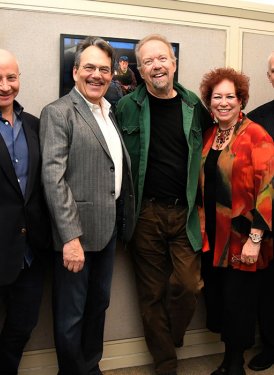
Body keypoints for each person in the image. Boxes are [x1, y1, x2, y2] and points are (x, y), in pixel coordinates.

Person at [116, 34, 212, 375]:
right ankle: (166, 364)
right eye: (148, 62)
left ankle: (172, 336)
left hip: (184, 212)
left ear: (173, 64)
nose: (156, 66)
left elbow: (211, 151)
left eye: (162, 59)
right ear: (140, 71)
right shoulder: (126, 107)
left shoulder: (192, 106)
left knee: (187, 286)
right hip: (145, 214)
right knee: (151, 294)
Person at [39, 36, 135, 375]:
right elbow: (53, 178)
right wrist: (70, 238)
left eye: (104, 69)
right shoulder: (58, 112)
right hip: (75, 236)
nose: (97, 75)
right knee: (71, 314)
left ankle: (90, 367)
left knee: (98, 307)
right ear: (76, 71)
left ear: (112, 75)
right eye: (90, 67)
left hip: (106, 232)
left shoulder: (109, 112)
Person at [199, 67, 273, 375]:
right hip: (213, 237)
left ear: (241, 100)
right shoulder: (210, 135)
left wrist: (256, 239)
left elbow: (269, 189)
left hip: (245, 238)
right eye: (218, 97)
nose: (224, 102)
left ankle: (233, 366)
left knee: (238, 303)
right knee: (219, 300)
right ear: (210, 101)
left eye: (231, 96)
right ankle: (228, 361)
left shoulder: (257, 135)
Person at [0, 49, 51, 374]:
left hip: (31, 252)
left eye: (11, 77)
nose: (5, 85)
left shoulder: (34, 124)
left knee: (22, 326)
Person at [247, 51, 274, 372]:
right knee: (267, 291)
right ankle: (271, 346)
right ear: (269, 76)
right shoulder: (255, 119)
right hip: (266, 222)